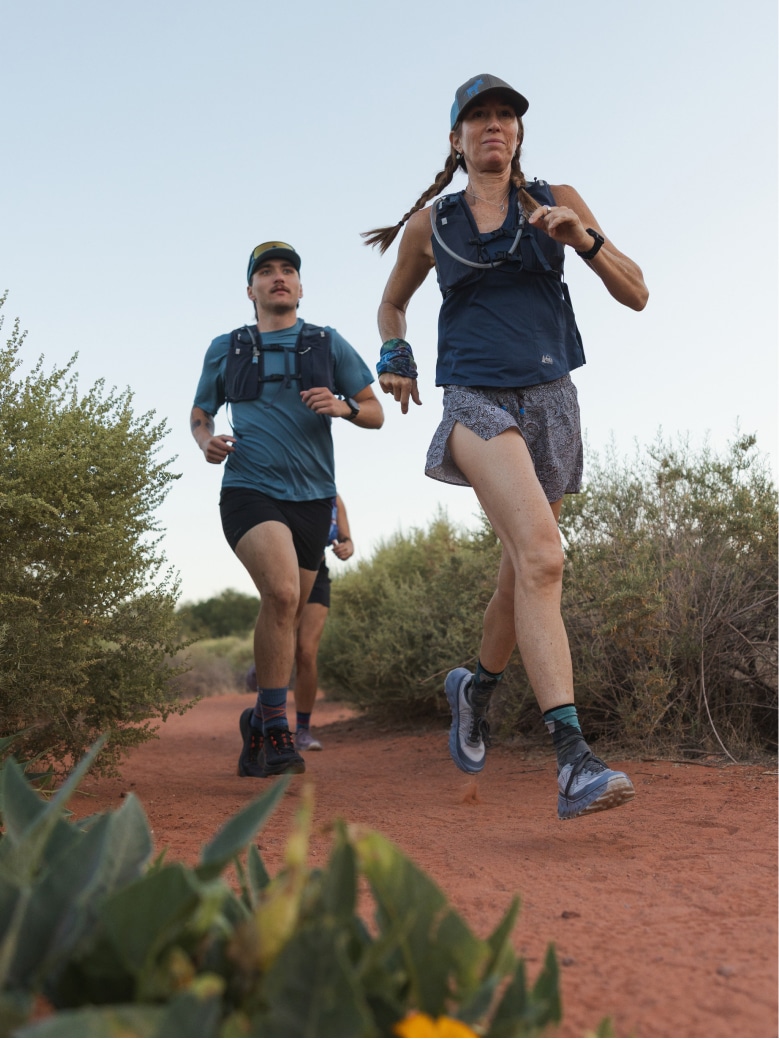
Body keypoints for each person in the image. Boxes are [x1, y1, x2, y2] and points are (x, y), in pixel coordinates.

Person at [363, 74, 648, 820]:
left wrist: (579, 239)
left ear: (518, 134)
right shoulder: (435, 224)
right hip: (475, 401)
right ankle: (572, 760)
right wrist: (394, 355)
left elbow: (637, 291)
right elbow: (393, 301)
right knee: (546, 556)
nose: (493, 126)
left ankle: (475, 690)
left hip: (554, 402)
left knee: (519, 574)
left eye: (505, 117)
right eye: (477, 118)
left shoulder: (555, 198)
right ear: (456, 140)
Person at [191, 241, 383, 778]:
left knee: (289, 612)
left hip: (313, 499)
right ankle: (276, 724)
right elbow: (200, 411)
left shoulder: (327, 343)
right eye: (267, 271)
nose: (279, 278)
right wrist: (204, 439)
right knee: (280, 592)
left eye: (288, 271)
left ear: (300, 287)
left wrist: (343, 407)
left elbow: (375, 412)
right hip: (249, 490)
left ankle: (257, 725)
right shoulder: (227, 348)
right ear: (250, 290)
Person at [292, 493, 353, 751]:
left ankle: (303, 730)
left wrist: (347, 547)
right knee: (282, 644)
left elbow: (347, 540)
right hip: (283, 572)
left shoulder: (333, 498)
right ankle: (264, 721)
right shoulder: (282, 482)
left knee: (306, 652)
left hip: (318, 574)